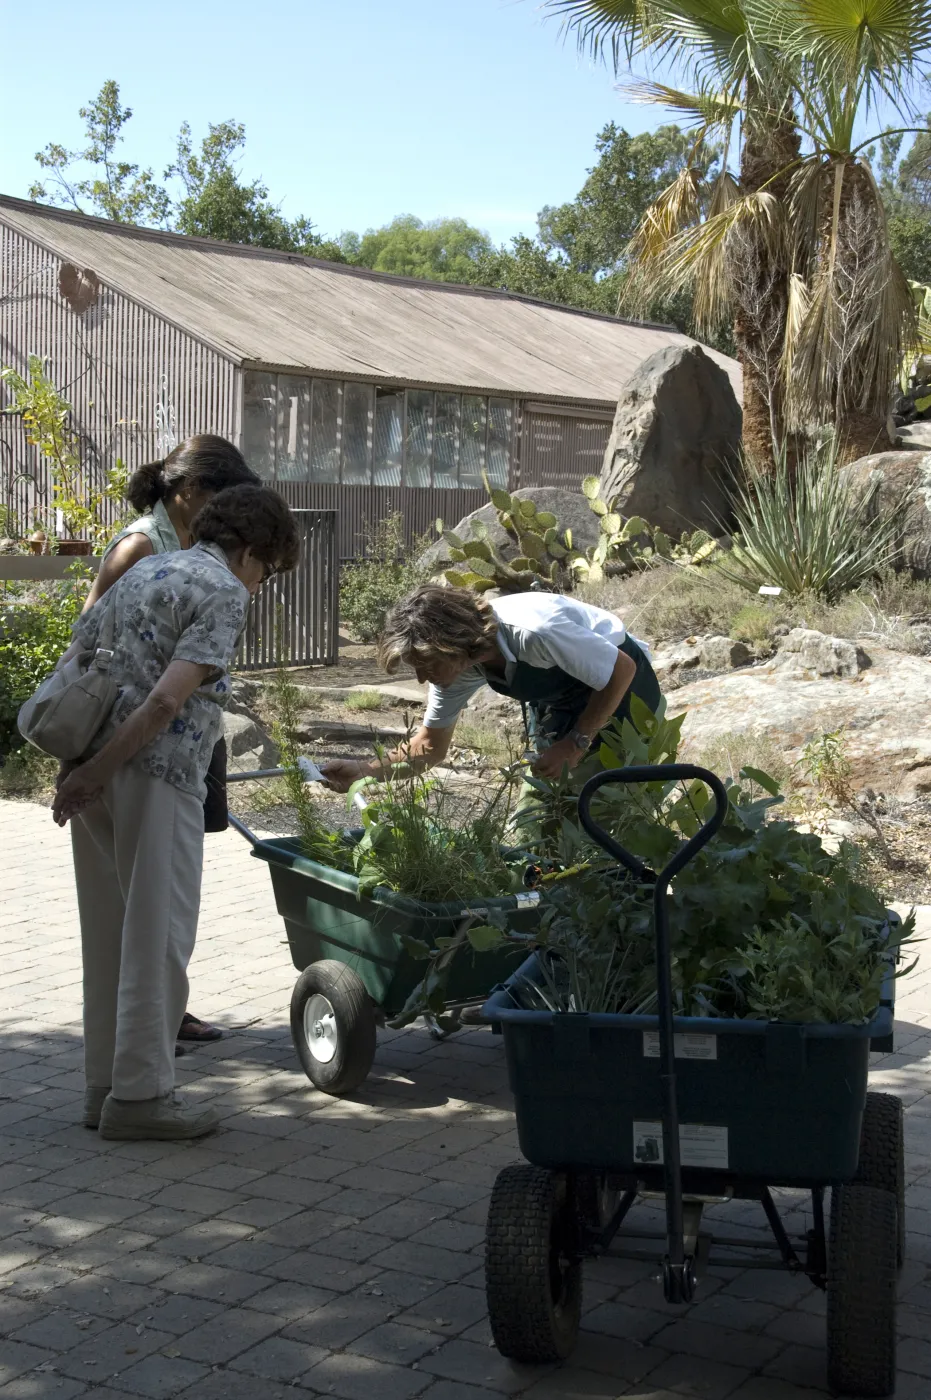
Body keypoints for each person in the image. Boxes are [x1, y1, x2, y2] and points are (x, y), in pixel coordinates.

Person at [53, 485, 299, 1141]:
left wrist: (79, 771)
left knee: (106, 933)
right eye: (265, 571)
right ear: (250, 550)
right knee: (156, 936)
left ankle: (102, 1087)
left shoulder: (147, 568)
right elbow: (166, 702)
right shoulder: (221, 588)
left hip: (92, 770)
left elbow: (78, 667)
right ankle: (141, 1099)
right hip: (155, 775)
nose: (259, 584)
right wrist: (99, 773)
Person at [85, 436, 259, 1049]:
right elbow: (94, 643)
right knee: (145, 907)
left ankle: (158, 1017)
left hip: (179, 733)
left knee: (164, 901)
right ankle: (145, 1053)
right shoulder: (141, 545)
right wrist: (98, 762)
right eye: (218, 498)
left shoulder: (194, 548)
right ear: (186, 491)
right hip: (137, 745)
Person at [323, 584, 662, 792]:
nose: (422, 680)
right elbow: (429, 746)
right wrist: (364, 771)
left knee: (607, 816)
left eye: (425, 666)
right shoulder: (459, 668)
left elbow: (621, 669)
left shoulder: (535, 632)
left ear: (452, 643)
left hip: (627, 700)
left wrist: (575, 744)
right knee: (538, 824)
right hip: (561, 708)